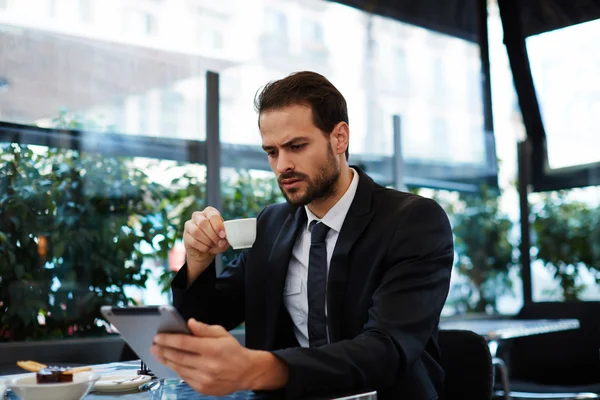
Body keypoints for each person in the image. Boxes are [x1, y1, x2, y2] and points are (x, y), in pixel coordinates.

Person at [150, 71, 454, 399]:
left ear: (339, 138)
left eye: (296, 146)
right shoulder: (272, 224)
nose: (282, 166)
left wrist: (258, 368)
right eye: (272, 152)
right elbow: (205, 321)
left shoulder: (413, 222)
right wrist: (198, 260)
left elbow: (386, 350)